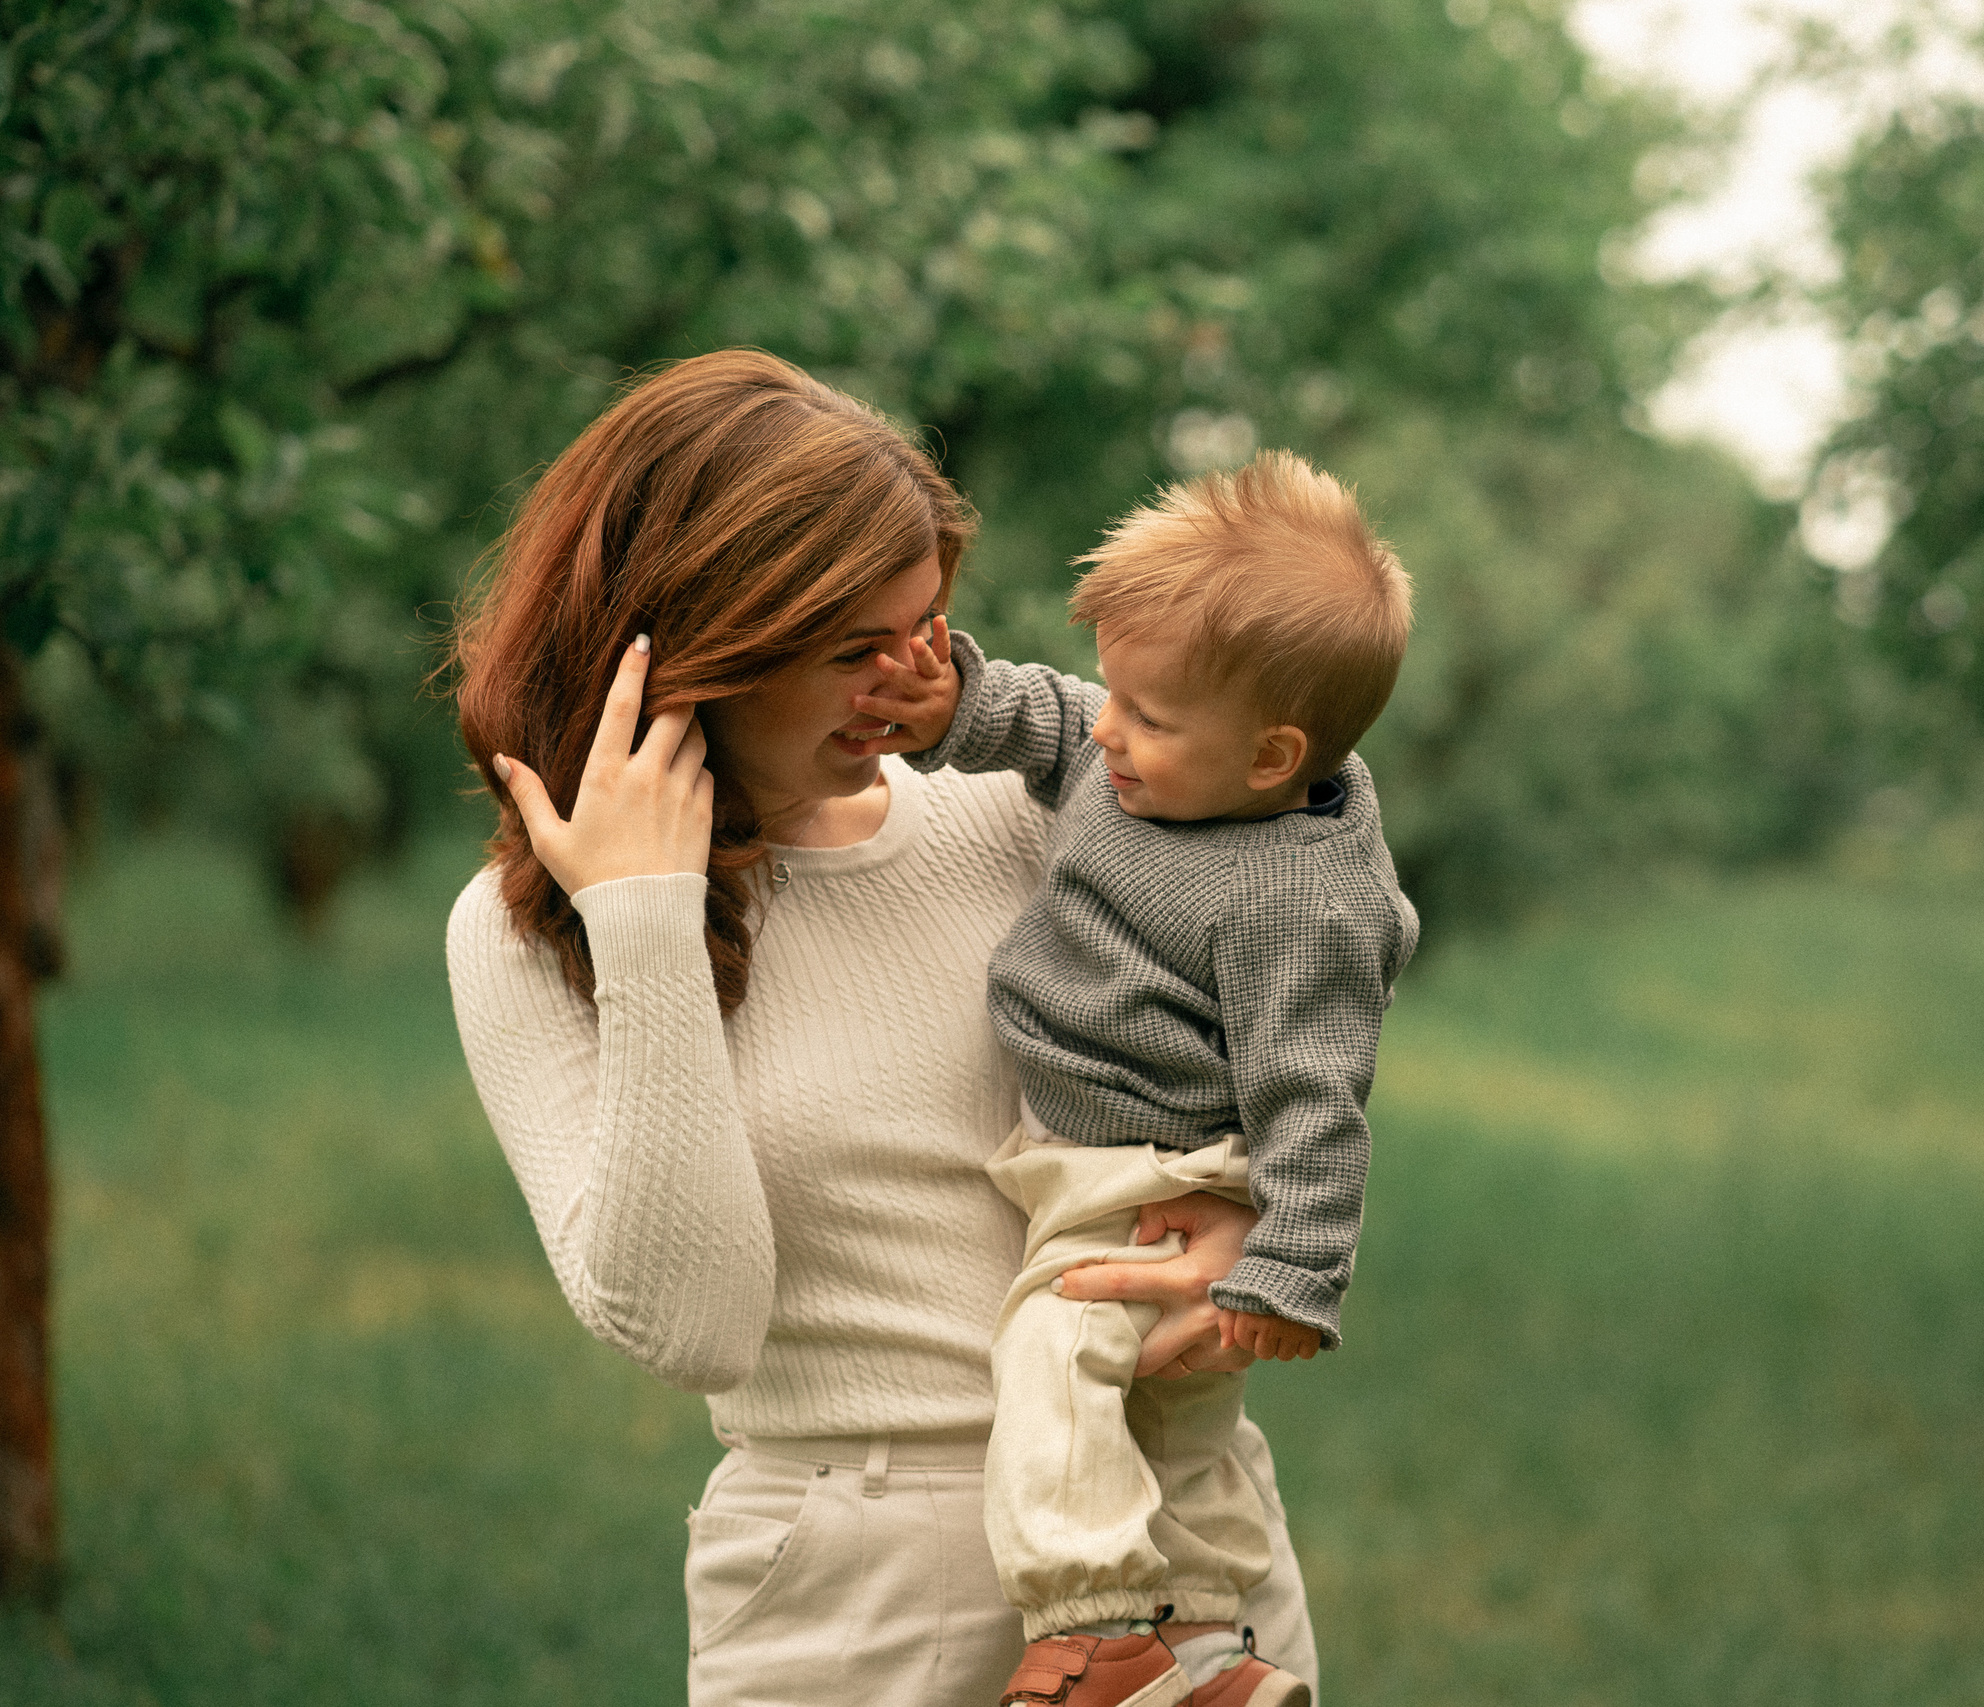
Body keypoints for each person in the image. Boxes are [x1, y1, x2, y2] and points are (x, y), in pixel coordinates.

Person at [440, 349, 1322, 1706]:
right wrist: (649, 919)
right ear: (686, 643)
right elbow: (695, 1326)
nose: (906, 676)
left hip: (1165, 1546)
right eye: (852, 646)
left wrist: (1248, 1211)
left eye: (924, 624)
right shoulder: (530, 932)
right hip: (848, 1596)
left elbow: (1300, 901)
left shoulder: (1028, 810)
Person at [848, 453, 1416, 1707]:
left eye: (1149, 717)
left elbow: (1317, 1099)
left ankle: (1099, 1621)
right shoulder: (1147, 764)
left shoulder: (1296, 899)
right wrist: (958, 705)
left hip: (1158, 1170)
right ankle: (1212, 1654)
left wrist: (1293, 1272)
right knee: (1175, 1429)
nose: (1108, 729)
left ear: (1272, 757)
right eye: (1118, 694)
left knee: (1055, 1350)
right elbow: (1048, 719)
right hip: (1105, 1145)